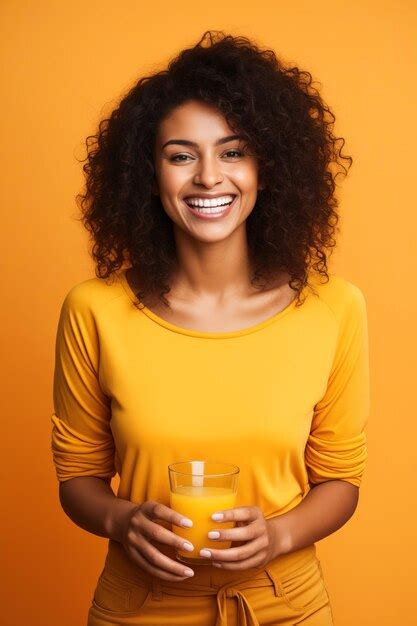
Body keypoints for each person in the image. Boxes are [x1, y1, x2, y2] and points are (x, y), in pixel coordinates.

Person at [50, 30, 370, 626]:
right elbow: (78, 478)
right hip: (138, 607)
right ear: (149, 175)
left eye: (232, 152)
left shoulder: (334, 309)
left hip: (287, 605)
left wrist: (278, 535)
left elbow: (341, 482)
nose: (207, 177)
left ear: (266, 167)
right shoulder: (93, 310)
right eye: (180, 155)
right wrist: (120, 519)